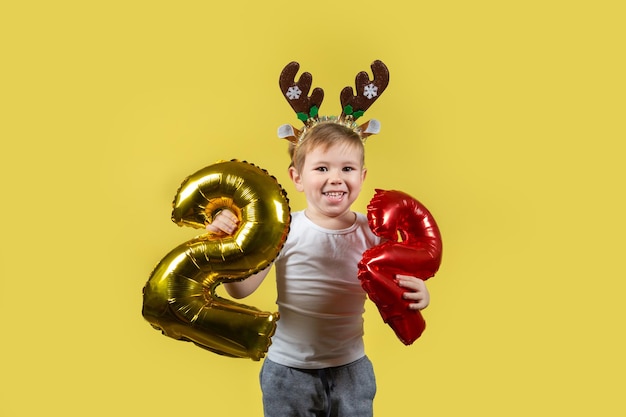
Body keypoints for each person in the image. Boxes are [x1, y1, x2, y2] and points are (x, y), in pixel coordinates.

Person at [206, 122, 430, 417]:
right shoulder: (282, 229)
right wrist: (230, 242)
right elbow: (240, 290)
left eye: (347, 169)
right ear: (297, 177)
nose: (336, 178)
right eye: (322, 168)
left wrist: (420, 294)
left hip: (351, 371)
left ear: (362, 177)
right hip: (288, 373)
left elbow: (399, 287)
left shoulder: (374, 233)